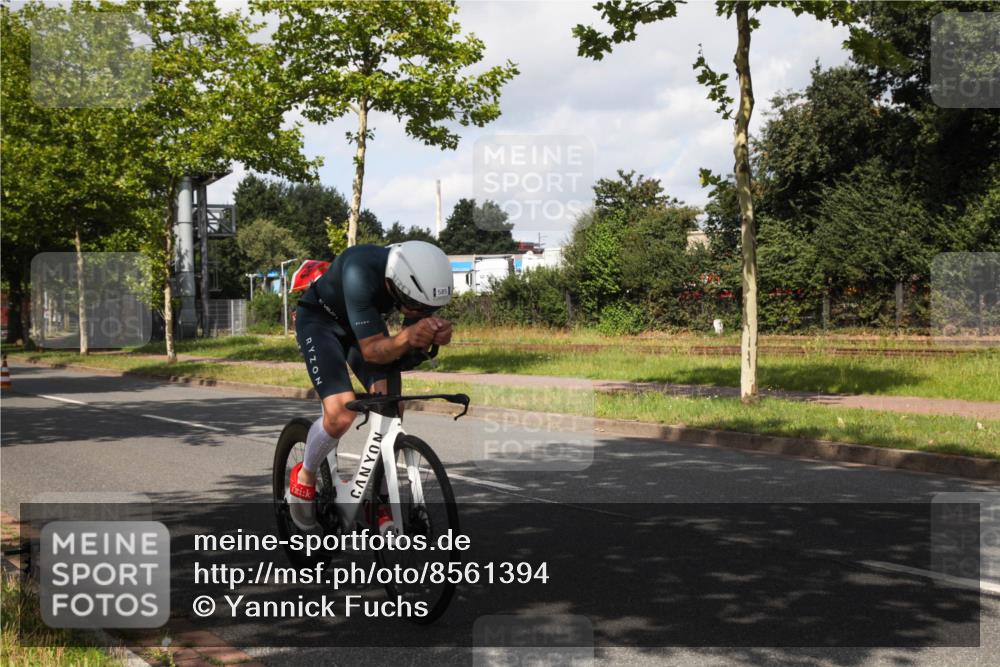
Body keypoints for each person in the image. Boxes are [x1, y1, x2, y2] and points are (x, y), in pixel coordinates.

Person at [288, 240, 454, 531]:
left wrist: (430, 339)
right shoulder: (359, 269)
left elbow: (397, 355)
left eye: (430, 309)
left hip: (360, 327)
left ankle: (378, 500)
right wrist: (407, 337)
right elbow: (372, 351)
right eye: (417, 307)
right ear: (397, 286)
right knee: (340, 412)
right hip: (319, 323)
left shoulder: (411, 282)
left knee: (392, 406)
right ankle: (306, 474)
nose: (420, 312)